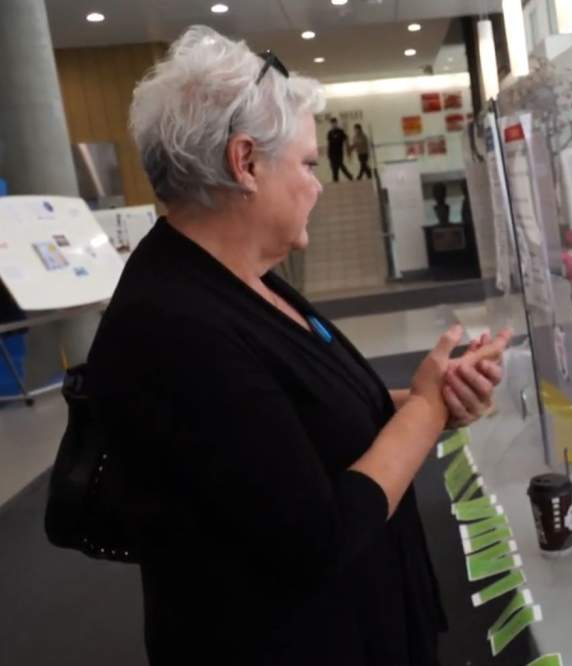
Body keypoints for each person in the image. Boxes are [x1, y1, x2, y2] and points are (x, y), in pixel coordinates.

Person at [88, 27, 511, 665]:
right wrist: (422, 411)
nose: (316, 185)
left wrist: (436, 401)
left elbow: (283, 424)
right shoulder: (177, 325)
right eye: (308, 164)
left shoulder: (231, 281)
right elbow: (319, 535)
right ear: (245, 162)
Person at [326, 117, 352, 182]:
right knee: (334, 167)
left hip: (339, 152)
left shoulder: (340, 131)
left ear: (336, 123)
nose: (333, 125)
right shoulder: (329, 133)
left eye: (334, 123)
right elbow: (329, 143)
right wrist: (328, 153)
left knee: (340, 165)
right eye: (332, 123)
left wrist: (348, 149)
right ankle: (335, 180)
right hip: (332, 152)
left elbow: (346, 138)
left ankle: (349, 176)